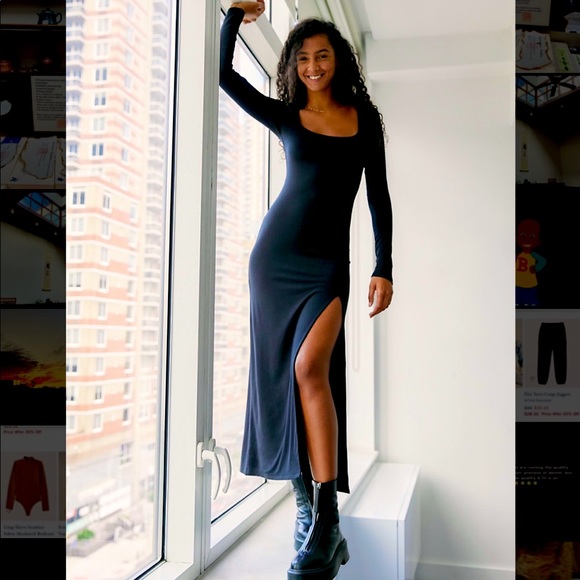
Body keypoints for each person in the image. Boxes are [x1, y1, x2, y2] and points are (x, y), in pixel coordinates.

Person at [219, 2, 394, 579]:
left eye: (322, 55)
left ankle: (324, 520)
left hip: (325, 267)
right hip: (273, 260)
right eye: (302, 59)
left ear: (338, 60)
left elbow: (378, 197)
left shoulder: (363, 120)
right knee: (283, 380)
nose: (313, 66)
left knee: (309, 369)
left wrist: (384, 264)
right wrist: (233, 16)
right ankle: (313, 516)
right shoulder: (288, 116)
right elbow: (223, 76)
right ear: (293, 67)